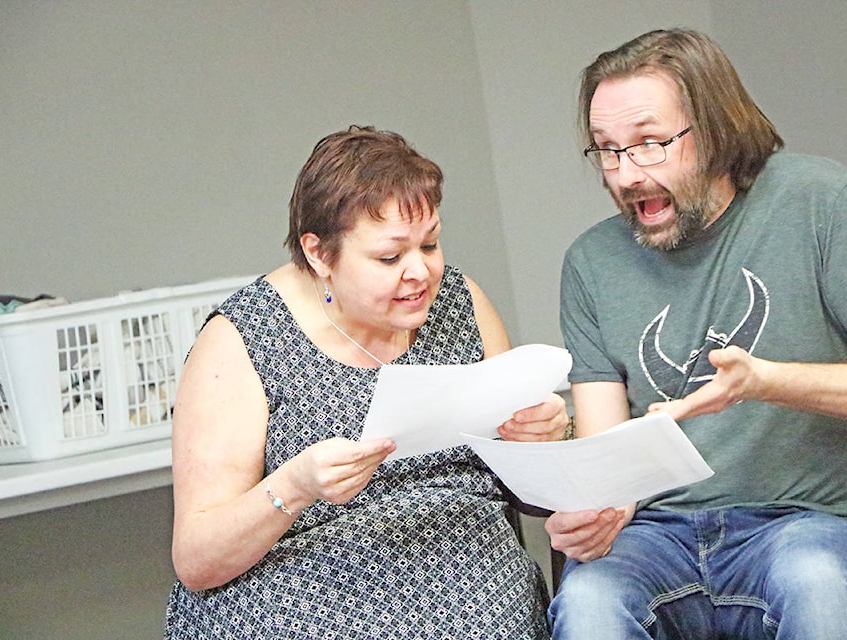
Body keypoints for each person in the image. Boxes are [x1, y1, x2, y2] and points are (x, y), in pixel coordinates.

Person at [545, 28, 847, 639]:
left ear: (715, 131)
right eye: (607, 149)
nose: (626, 175)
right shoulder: (591, 262)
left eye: (650, 144)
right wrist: (594, 510)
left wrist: (763, 381)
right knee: (589, 601)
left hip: (802, 524)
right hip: (656, 538)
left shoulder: (818, 200)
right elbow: (609, 456)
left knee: (817, 585)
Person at [164, 125, 567, 639]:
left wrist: (543, 440)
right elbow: (197, 559)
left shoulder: (461, 303)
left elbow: (532, 497)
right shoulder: (242, 339)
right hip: (302, 601)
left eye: (431, 244)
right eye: (389, 257)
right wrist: (294, 485)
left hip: (473, 590)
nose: (420, 272)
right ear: (319, 255)